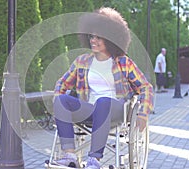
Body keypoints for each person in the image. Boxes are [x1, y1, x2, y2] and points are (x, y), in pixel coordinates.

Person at [52, 7, 154, 169]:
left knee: (103, 102)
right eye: (92, 36)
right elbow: (62, 84)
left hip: (116, 110)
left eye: (100, 37)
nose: (94, 40)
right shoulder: (82, 61)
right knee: (61, 100)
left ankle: (94, 160)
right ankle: (70, 156)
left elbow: (145, 87)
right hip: (90, 109)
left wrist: (143, 114)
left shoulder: (124, 63)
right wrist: (58, 104)